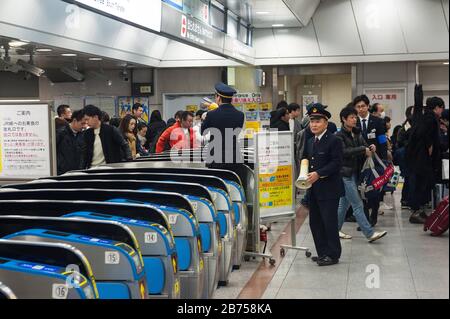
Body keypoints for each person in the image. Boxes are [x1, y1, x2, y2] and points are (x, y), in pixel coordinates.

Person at [335, 106, 388, 242]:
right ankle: (369, 233)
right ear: (343, 119)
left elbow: (365, 145)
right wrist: (362, 149)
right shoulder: (338, 136)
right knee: (357, 204)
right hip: (344, 174)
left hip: (355, 173)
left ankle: (334, 230)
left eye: (355, 117)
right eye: (351, 117)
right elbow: (344, 152)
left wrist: (371, 147)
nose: (354, 120)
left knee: (344, 204)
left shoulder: (356, 133)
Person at [302, 104, 344, 266]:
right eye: (312, 121)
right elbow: (307, 159)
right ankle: (322, 253)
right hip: (313, 190)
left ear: (326, 123)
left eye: (318, 121)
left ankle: (333, 255)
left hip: (329, 190)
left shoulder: (334, 140)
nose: (314, 124)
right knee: (316, 223)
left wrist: (319, 173)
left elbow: (336, 163)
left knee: (329, 223)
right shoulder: (311, 140)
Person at [406, 92, 445, 223]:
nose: (442, 111)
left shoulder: (425, 115)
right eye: (442, 108)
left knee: (422, 183)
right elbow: (423, 133)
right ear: (437, 107)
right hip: (422, 158)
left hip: (418, 157)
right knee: (423, 184)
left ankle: (419, 211)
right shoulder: (430, 117)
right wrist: (429, 146)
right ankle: (417, 211)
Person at [354, 94, 388, 227]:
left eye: (363, 106)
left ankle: (373, 214)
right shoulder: (353, 121)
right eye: (358, 107)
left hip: (375, 160)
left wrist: (383, 159)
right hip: (358, 161)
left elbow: (382, 141)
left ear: (368, 106)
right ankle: (365, 219)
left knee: (374, 188)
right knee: (361, 190)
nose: (361, 109)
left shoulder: (377, 121)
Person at [201, 83, 245, 167]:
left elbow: (203, 132)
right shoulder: (240, 115)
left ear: (218, 98)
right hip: (234, 157)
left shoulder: (211, 115)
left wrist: (204, 119)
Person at [56, 109, 86, 175]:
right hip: (62, 173)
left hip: (78, 173)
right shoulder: (61, 133)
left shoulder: (82, 135)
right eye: (82, 123)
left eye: (85, 124)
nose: (84, 126)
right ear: (75, 121)